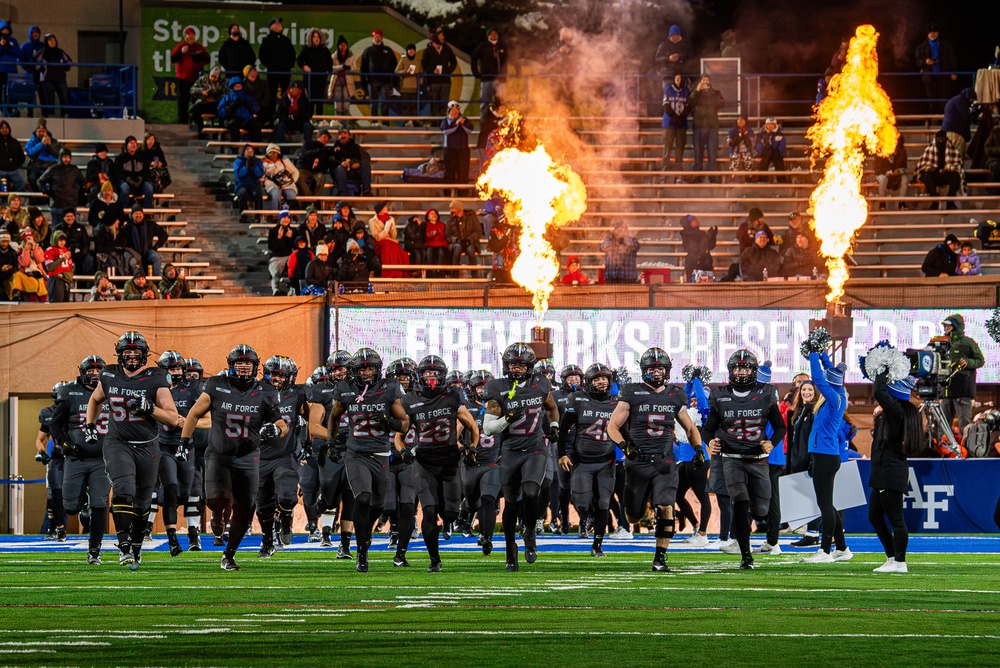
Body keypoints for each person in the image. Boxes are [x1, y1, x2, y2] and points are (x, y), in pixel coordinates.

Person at [180, 345, 286, 571]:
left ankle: (229, 555)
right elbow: (194, 413)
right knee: (216, 499)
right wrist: (184, 441)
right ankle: (217, 514)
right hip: (219, 455)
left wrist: (276, 431)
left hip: (248, 458)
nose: (244, 367)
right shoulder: (217, 385)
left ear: (256, 367)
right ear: (231, 365)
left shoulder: (266, 391)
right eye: (239, 363)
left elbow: (281, 423)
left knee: (245, 508)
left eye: (248, 363)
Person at [85, 331, 180, 569]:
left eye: (136, 353)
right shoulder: (109, 374)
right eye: (127, 353)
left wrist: (150, 409)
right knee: (123, 489)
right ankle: (124, 544)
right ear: (119, 354)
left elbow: (172, 417)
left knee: (142, 503)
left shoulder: (156, 377)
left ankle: (135, 547)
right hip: (117, 442)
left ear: (144, 355)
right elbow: (96, 399)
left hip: (148, 445)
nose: (131, 358)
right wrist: (90, 424)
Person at [607, 348, 703, 571]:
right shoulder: (631, 392)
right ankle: (640, 514)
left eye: (659, 368)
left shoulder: (675, 394)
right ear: (644, 370)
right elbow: (612, 425)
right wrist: (624, 446)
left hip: (665, 461)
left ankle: (659, 558)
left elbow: (689, 427)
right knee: (632, 516)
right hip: (637, 461)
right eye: (651, 368)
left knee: (666, 506)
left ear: (667, 370)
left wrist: (698, 449)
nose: (656, 372)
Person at [700, 350, 785, 570]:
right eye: (737, 367)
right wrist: (710, 442)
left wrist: (772, 442)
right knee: (739, 501)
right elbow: (708, 429)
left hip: (757, 459)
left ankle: (752, 525)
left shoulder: (766, 392)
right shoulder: (720, 394)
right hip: (732, 458)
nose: (741, 371)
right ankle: (746, 556)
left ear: (753, 370)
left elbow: (780, 427)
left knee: (761, 511)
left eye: (745, 367)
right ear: (730, 370)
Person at [325, 349, 408, 572]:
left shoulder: (388, 389)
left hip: (380, 453)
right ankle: (362, 551)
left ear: (377, 369)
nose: (366, 372)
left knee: (378, 504)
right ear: (354, 371)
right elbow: (333, 416)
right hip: (356, 453)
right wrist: (331, 442)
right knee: (362, 498)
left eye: (370, 368)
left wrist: (389, 423)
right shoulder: (345, 390)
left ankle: (365, 534)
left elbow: (405, 423)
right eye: (362, 368)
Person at [395, 356, 478, 571]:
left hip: (449, 461)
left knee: (449, 513)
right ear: (419, 375)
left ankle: (450, 518)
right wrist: (403, 451)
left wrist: (473, 448)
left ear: (443, 375)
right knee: (429, 511)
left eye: (436, 373)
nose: (431, 377)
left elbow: (472, 425)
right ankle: (435, 559)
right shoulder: (410, 400)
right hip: (424, 463)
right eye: (427, 373)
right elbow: (399, 434)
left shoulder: (452, 395)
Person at [482, 343, 560, 571]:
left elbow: (551, 407)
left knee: (531, 491)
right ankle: (510, 550)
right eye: (512, 364)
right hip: (510, 451)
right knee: (512, 505)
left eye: (520, 365)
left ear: (530, 367)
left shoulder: (541, 384)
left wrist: (554, 425)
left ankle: (529, 532)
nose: (515, 369)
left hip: (535, 448)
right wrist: (507, 419)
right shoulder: (497, 387)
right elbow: (488, 429)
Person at [50, 356, 109, 564]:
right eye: (90, 371)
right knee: (70, 507)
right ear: (82, 372)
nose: (94, 374)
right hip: (76, 457)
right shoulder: (70, 393)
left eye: (98, 371)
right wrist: (65, 443)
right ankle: (83, 507)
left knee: (100, 503)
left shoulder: (111, 391)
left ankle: (94, 551)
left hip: (102, 459)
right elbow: (55, 424)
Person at [557, 363, 617, 557]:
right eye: (597, 379)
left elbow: (625, 429)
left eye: (604, 378)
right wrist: (562, 454)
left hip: (606, 460)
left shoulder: (617, 402)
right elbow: (564, 429)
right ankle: (588, 514)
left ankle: (597, 545)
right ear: (589, 382)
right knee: (582, 503)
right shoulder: (578, 399)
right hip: (582, 459)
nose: (601, 382)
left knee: (603, 503)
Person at [801, 350, 851, 564]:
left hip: (826, 456)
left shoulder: (834, 398)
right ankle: (841, 548)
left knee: (825, 504)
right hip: (823, 455)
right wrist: (822, 356)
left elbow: (819, 379)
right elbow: (828, 374)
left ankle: (825, 551)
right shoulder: (836, 395)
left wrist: (812, 355)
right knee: (827, 504)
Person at [256, 356, 308, 557]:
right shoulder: (255, 391)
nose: (277, 378)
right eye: (274, 374)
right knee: (263, 505)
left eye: (282, 375)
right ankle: (267, 540)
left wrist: (306, 444)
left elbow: (309, 418)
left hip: (284, 455)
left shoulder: (297, 394)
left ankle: (286, 516)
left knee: (287, 496)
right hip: (259, 456)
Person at [869, 371, 918, 573]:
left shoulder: (897, 411)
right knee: (875, 516)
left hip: (890, 471)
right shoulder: (897, 412)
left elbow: (879, 392)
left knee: (896, 519)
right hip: (884, 471)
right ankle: (892, 557)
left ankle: (900, 561)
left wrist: (882, 369)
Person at [154, 351, 197, 556]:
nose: (177, 372)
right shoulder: (154, 389)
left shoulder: (193, 390)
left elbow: (207, 418)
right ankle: (172, 539)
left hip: (186, 446)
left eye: (179, 368)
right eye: (172, 368)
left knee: (183, 494)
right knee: (170, 489)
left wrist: (186, 422)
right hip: (163, 446)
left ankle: (188, 532)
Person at [939, 314, 985, 433]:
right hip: (946, 390)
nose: (945, 328)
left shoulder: (968, 342)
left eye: (948, 325)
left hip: (963, 390)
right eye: (945, 325)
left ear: (955, 326)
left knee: (965, 425)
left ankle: (967, 450)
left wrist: (968, 362)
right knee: (943, 424)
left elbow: (980, 360)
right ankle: (943, 450)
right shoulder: (943, 342)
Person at [914, 131, 964, 211]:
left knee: (955, 176)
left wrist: (948, 168)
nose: (941, 141)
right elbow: (923, 164)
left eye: (942, 139)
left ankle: (950, 202)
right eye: (939, 139)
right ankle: (934, 201)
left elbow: (957, 164)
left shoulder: (951, 149)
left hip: (947, 173)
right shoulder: (930, 149)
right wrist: (930, 168)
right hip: (934, 174)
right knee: (927, 176)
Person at [170, 27, 210, 125]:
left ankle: (196, 123)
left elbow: (207, 59)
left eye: (192, 36)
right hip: (183, 79)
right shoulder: (180, 46)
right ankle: (183, 123)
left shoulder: (199, 47)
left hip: (196, 80)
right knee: (183, 102)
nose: (190, 38)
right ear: (185, 37)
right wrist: (181, 52)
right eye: (188, 36)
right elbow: (173, 59)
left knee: (197, 102)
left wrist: (200, 57)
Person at [914, 24, 957, 113]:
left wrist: (954, 72)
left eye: (934, 32)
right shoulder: (921, 47)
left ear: (938, 33)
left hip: (943, 76)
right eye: (930, 33)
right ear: (927, 34)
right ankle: (933, 121)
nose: (932, 34)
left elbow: (952, 59)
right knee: (932, 100)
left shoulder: (946, 45)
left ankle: (945, 121)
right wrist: (925, 62)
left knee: (944, 99)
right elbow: (918, 62)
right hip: (929, 77)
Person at [689, 75, 724, 177]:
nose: (705, 81)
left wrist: (710, 92)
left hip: (712, 126)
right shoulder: (696, 93)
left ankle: (712, 175)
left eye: (707, 80)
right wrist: (697, 90)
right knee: (698, 152)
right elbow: (690, 102)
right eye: (703, 80)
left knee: (712, 151)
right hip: (699, 126)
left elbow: (721, 103)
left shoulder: (715, 93)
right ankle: (697, 175)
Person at [37, 147, 85, 222]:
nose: (67, 159)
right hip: (57, 203)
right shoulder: (53, 169)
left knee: (70, 228)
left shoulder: (74, 169)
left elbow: (83, 182)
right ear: (60, 157)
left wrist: (80, 193)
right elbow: (40, 181)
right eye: (65, 157)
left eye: (69, 157)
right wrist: (48, 191)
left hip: (71, 203)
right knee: (57, 228)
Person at [122, 203, 169, 276]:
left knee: (156, 257)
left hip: (148, 252)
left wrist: (156, 246)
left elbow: (164, 235)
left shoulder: (150, 224)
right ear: (132, 215)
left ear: (143, 214)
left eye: (140, 213)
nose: (138, 216)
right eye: (136, 213)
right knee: (132, 261)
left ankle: (156, 280)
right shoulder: (127, 227)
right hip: (134, 253)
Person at [360, 30, 397, 121]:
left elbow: (395, 66)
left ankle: (385, 122)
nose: (377, 38)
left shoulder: (388, 50)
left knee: (385, 103)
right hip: (373, 81)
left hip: (386, 82)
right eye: (375, 37)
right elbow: (363, 67)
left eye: (379, 36)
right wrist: (364, 81)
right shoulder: (368, 51)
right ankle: (374, 121)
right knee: (374, 103)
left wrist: (395, 80)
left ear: (382, 38)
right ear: (372, 38)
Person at [422, 27, 458, 118]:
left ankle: (442, 123)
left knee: (444, 104)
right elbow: (424, 64)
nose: (443, 37)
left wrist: (448, 71)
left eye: (442, 35)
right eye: (440, 35)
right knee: (434, 104)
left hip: (445, 80)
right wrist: (432, 71)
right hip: (433, 81)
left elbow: (454, 62)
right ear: (435, 37)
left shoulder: (447, 48)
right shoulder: (428, 50)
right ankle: (434, 122)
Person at [257, 18, 296, 102]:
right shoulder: (267, 40)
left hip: (285, 71)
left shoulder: (285, 40)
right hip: (272, 71)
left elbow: (292, 54)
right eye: (276, 23)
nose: (279, 24)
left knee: (286, 93)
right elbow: (262, 55)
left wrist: (289, 65)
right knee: (271, 93)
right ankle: (272, 112)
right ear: (272, 26)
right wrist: (270, 65)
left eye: (280, 23)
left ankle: (284, 112)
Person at [297, 28, 332, 116]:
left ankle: (320, 120)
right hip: (310, 79)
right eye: (314, 37)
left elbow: (329, 63)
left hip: (321, 79)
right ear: (311, 38)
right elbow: (299, 60)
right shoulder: (306, 49)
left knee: (320, 101)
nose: (316, 39)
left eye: (318, 37)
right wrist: (304, 66)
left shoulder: (325, 50)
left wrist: (329, 71)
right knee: (310, 101)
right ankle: (309, 119)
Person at [660, 73, 690, 177]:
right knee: (667, 145)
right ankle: (665, 168)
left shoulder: (686, 90)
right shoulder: (668, 89)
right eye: (676, 78)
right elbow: (665, 105)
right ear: (674, 79)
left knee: (680, 146)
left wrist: (681, 117)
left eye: (680, 78)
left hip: (681, 123)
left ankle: (678, 167)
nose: (678, 80)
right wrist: (674, 116)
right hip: (669, 122)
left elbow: (688, 106)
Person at [36, 33, 72, 117]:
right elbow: (35, 63)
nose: (52, 42)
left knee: (64, 97)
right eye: (50, 40)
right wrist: (42, 68)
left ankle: (64, 115)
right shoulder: (42, 52)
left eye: (54, 40)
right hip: (48, 79)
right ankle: (51, 116)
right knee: (50, 99)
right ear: (46, 42)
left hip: (60, 79)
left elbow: (69, 62)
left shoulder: (60, 52)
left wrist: (65, 65)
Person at [218, 77, 261, 143]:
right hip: (232, 120)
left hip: (246, 120)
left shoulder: (247, 97)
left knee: (256, 124)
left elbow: (256, 109)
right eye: (236, 86)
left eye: (239, 86)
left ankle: (255, 148)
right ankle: (234, 148)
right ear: (232, 87)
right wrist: (231, 107)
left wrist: (250, 106)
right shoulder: (226, 98)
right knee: (233, 125)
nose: (238, 88)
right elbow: (220, 111)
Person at [114, 136, 153, 210]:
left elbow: (146, 171)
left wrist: (141, 178)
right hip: (126, 181)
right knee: (124, 188)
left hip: (140, 181)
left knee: (149, 188)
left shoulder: (142, 156)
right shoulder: (120, 158)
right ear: (126, 145)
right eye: (131, 143)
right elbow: (117, 173)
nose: (133, 145)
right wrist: (128, 179)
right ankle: (124, 212)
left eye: (135, 143)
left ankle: (148, 213)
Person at [471, 28, 508, 105]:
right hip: (487, 78)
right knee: (485, 101)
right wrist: (476, 73)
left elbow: (511, 58)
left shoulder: (502, 46)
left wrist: (518, 70)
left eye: (495, 33)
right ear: (488, 36)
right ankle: (485, 116)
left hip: (501, 79)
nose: (494, 35)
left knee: (500, 102)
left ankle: (499, 116)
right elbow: (474, 59)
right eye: (491, 33)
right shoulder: (483, 46)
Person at [330, 128, 370, 197]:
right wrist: (341, 163)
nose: (343, 136)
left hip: (354, 171)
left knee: (365, 165)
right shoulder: (333, 149)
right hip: (341, 171)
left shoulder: (356, 147)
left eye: (345, 134)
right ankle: (342, 193)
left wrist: (359, 164)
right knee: (340, 168)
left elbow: (366, 157)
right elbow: (331, 160)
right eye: (340, 134)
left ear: (349, 135)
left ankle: (366, 190)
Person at [941, 87, 976, 164]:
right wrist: (974, 117)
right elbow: (967, 117)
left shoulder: (954, 101)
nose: (971, 103)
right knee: (957, 163)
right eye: (971, 100)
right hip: (956, 136)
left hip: (948, 134)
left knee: (947, 161)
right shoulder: (960, 101)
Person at [873, 135, 909, 210]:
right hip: (882, 174)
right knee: (883, 179)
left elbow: (904, 167)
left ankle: (902, 202)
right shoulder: (880, 150)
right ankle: (882, 202)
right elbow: (877, 168)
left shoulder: (902, 151)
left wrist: (899, 171)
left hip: (896, 176)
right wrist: (885, 172)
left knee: (905, 179)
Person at [52, 208, 91, 275]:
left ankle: (85, 282)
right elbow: (54, 243)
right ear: (63, 218)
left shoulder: (81, 227)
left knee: (89, 260)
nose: (70, 218)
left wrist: (81, 253)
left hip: (80, 254)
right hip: (63, 254)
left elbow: (86, 243)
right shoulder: (58, 228)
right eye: (67, 216)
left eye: (72, 216)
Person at [442, 100, 473, 184]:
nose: (455, 112)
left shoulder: (465, 120)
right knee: (449, 172)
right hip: (449, 149)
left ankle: (463, 194)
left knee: (463, 172)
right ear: (449, 110)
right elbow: (445, 131)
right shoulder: (446, 120)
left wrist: (463, 123)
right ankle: (448, 195)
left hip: (463, 150)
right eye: (453, 110)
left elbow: (469, 130)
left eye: (456, 110)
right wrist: (456, 124)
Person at [678, 214, 716, 281]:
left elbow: (710, 246)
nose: (697, 221)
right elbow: (693, 248)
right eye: (693, 220)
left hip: (705, 263)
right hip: (693, 264)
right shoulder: (686, 235)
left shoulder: (702, 234)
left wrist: (712, 236)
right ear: (689, 223)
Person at [261, 144, 298, 211]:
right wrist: (272, 164)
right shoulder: (264, 163)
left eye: (275, 152)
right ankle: (275, 214)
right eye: (270, 152)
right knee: (275, 194)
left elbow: (295, 172)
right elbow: (267, 173)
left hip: (287, 183)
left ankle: (292, 215)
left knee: (291, 194)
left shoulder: (284, 161)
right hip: (272, 184)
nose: (273, 154)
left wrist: (292, 181)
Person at [188, 65, 225, 132]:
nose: (213, 79)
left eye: (215, 77)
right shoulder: (202, 79)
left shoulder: (221, 83)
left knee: (223, 110)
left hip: (215, 104)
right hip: (203, 102)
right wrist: (201, 91)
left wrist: (214, 100)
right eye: (212, 76)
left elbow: (224, 95)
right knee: (194, 110)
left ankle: (220, 132)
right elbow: (192, 90)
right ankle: (201, 130)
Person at [296, 129, 331, 197]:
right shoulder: (308, 144)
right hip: (304, 169)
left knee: (322, 178)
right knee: (298, 177)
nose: (326, 139)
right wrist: (318, 151)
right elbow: (303, 155)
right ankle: (310, 197)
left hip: (316, 172)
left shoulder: (326, 150)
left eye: (327, 138)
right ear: (318, 137)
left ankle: (316, 198)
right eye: (324, 137)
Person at [24, 122, 59, 190]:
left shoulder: (53, 141)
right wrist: (42, 144)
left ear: (46, 132)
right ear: (36, 132)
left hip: (51, 165)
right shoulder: (31, 142)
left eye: (43, 131)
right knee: (32, 178)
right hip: (37, 166)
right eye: (39, 131)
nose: (41, 133)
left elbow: (57, 154)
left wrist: (49, 145)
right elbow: (31, 154)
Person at [267, 210, 296, 295]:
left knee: (294, 267)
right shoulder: (273, 231)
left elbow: (295, 246)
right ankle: (275, 290)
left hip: (288, 256)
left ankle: (292, 289)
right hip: (276, 256)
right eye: (284, 217)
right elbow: (271, 247)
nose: (286, 219)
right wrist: (279, 237)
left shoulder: (293, 231)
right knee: (275, 271)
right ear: (280, 219)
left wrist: (289, 238)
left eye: (288, 217)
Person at [446, 199, 481, 267]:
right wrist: (457, 240)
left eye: (453, 208)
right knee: (457, 248)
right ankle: (454, 273)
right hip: (456, 243)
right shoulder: (450, 220)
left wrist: (469, 239)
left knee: (470, 250)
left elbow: (478, 231)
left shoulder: (472, 217)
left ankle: (475, 274)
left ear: (458, 208)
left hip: (471, 242)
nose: (451, 211)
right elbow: (448, 235)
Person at [233, 144, 264, 217]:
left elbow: (259, 174)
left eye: (251, 150)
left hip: (253, 184)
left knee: (258, 193)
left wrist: (254, 166)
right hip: (241, 184)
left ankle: (258, 216)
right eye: (248, 150)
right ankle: (243, 215)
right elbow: (238, 175)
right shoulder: (238, 161)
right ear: (244, 151)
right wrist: (246, 167)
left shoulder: (257, 161)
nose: (250, 152)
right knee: (243, 192)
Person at [42, 228, 73, 302]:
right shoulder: (50, 250)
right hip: (56, 280)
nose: (62, 242)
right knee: (56, 303)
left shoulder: (65, 250)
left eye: (64, 240)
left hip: (65, 279)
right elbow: (49, 267)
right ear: (55, 239)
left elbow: (70, 265)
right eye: (60, 240)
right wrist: (62, 258)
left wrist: (70, 276)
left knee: (65, 304)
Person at [329, 36, 355, 119]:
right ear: (338, 46)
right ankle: (338, 121)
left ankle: (345, 123)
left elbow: (354, 68)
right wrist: (341, 67)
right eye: (341, 45)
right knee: (338, 103)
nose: (343, 46)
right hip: (336, 81)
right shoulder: (334, 56)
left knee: (346, 103)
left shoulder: (351, 55)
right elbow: (331, 68)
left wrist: (349, 68)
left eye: (345, 44)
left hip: (348, 82)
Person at [755, 118, 787, 182]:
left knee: (779, 165)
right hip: (765, 153)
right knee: (763, 165)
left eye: (772, 124)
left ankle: (782, 181)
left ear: (775, 125)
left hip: (776, 153)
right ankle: (762, 182)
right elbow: (758, 145)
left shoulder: (779, 134)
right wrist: (761, 152)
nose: (770, 126)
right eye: (768, 124)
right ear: (766, 125)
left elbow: (782, 145)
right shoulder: (761, 135)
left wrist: (779, 152)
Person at [0, 119, 26, 192]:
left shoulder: (14, 142)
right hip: (0, 170)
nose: (4, 130)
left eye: (6, 128)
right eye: (2, 128)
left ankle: (13, 196)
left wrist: (16, 165)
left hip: (14, 170)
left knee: (23, 180)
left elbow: (21, 157)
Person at [0, 230, 17, 300]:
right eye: (2, 241)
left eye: (6, 241)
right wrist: (1, 269)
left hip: (8, 276)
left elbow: (16, 266)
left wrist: (9, 269)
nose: (5, 244)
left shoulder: (12, 252)